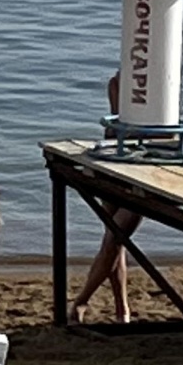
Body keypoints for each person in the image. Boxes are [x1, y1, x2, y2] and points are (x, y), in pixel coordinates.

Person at [72, 71, 138, 324]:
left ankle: (119, 309)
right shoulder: (130, 89)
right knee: (114, 240)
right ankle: (87, 302)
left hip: (116, 162)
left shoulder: (118, 84)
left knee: (115, 239)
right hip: (120, 165)